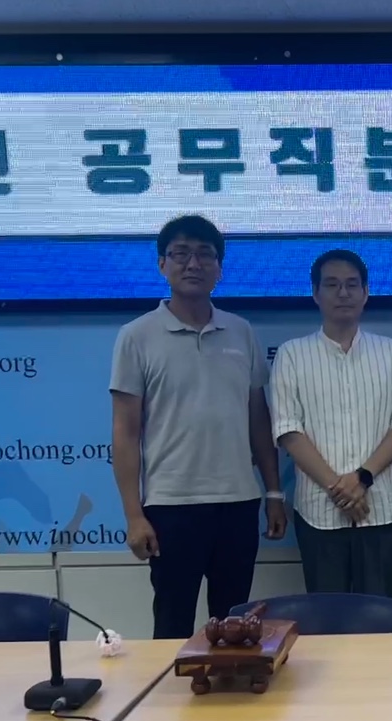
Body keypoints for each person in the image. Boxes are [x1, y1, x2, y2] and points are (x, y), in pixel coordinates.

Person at [110, 214, 286, 640]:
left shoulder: (240, 331)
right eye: (181, 254)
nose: (194, 264)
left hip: (238, 503)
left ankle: (228, 684)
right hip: (171, 507)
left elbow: (258, 420)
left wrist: (274, 493)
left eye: (205, 254)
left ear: (219, 268)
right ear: (162, 264)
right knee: (172, 625)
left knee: (234, 628)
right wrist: (134, 516)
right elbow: (125, 433)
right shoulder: (136, 336)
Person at [271, 250, 392, 597]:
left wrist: (362, 478)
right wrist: (340, 490)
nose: (343, 293)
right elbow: (288, 430)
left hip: (379, 509)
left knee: (380, 618)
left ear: (365, 293)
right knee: (326, 619)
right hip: (318, 513)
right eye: (332, 285)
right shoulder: (292, 354)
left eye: (352, 285)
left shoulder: (391, 353)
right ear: (315, 293)